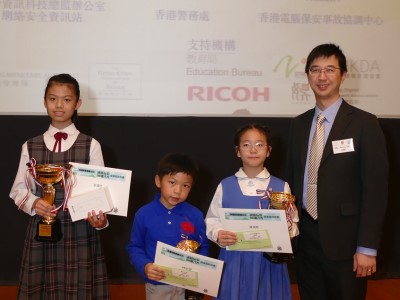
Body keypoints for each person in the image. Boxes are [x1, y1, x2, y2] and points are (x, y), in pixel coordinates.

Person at [286, 43, 388, 300]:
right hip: (305, 240)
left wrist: (367, 247)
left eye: (330, 70)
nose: (322, 77)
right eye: (315, 70)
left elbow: (376, 190)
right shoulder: (298, 125)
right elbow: (292, 181)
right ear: (308, 75)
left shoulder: (365, 123)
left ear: (343, 75)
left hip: (347, 244)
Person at [9, 73, 110, 299]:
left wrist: (100, 219)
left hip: (81, 231)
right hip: (42, 230)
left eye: (66, 99)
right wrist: (35, 203)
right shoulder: (30, 145)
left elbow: (101, 191)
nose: (59, 105)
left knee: (79, 290)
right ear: (44, 101)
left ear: (77, 104)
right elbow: (18, 189)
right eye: (53, 99)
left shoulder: (91, 145)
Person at [205, 123, 292, 300]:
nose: (253, 150)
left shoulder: (281, 187)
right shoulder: (225, 185)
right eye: (246, 144)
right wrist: (218, 234)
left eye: (259, 144)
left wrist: (284, 232)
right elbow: (212, 219)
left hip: (268, 264)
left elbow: (292, 224)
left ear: (268, 150)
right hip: (233, 261)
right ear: (238, 151)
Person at [126, 153, 210, 300]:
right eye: (172, 182)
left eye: (185, 185)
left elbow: (204, 246)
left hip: (188, 286)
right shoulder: (144, 214)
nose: (178, 190)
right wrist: (145, 266)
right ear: (158, 181)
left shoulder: (195, 215)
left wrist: (199, 267)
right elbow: (135, 247)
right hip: (157, 285)